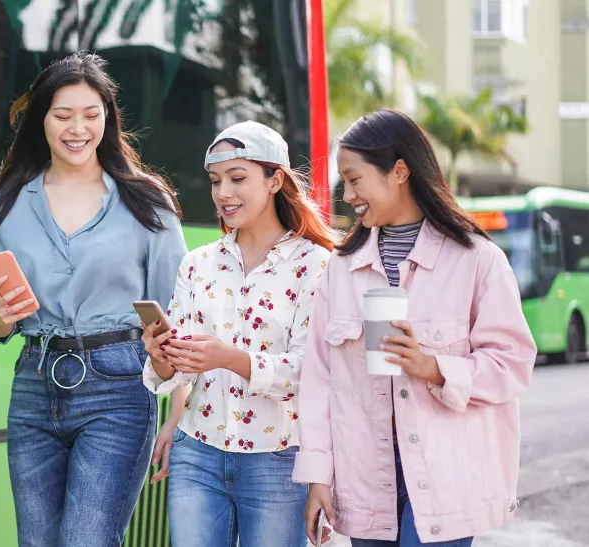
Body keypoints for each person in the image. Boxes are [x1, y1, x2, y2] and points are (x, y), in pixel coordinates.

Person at [294, 110, 537, 547]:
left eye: (355, 179)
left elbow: (512, 363)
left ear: (400, 171)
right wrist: (318, 478)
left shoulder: (475, 258)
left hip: (445, 479)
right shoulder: (341, 269)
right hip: (366, 480)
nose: (346, 194)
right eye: (343, 183)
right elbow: (318, 380)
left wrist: (434, 368)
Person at [0, 52, 187, 547]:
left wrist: (180, 410)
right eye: (63, 114)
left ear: (108, 118)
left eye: (92, 114)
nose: (78, 128)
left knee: (88, 540)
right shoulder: (8, 200)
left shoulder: (146, 201)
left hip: (118, 386)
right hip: (33, 381)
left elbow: (178, 316)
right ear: (41, 119)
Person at [142, 121, 335, 546]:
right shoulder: (197, 264)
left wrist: (230, 358)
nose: (223, 192)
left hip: (278, 462)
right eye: (215, 181)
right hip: (197, 453)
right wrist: (161, 356)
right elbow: (180, 372)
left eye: (238, 178)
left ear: (275, 180)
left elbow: (311, 372)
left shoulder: (315, 265)